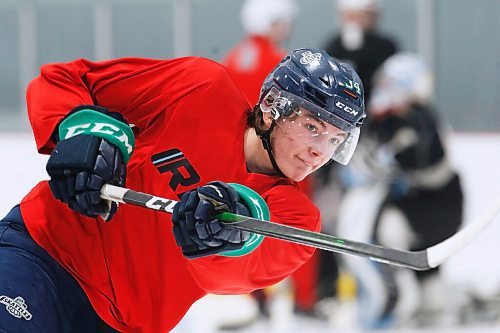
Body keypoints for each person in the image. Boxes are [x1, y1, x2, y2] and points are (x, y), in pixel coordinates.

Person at [0, 48, 366, 332]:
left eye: (336, 139)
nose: (321, 152)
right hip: (44, 251)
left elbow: (231, 275)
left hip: (121, 323)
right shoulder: (200, 87)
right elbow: (66, 79)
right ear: (272, 107)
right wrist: (86, 131)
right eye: (313, 127)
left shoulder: (297, 218)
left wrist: (229, 233)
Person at [338, 53, 463, 328]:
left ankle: (402, 300)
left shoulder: (419, 120)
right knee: (411, 254)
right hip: (424, 203)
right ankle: (422, 301)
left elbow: (418, 161)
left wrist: (386, 161)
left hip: (433, 207)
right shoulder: (395, 119)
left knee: (393, 235)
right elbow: (364, 162)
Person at [223, 0, 297, 106]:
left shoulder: (234, 57)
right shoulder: (280, 61)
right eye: (285, 23)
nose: (289, 29)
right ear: (273, 24)